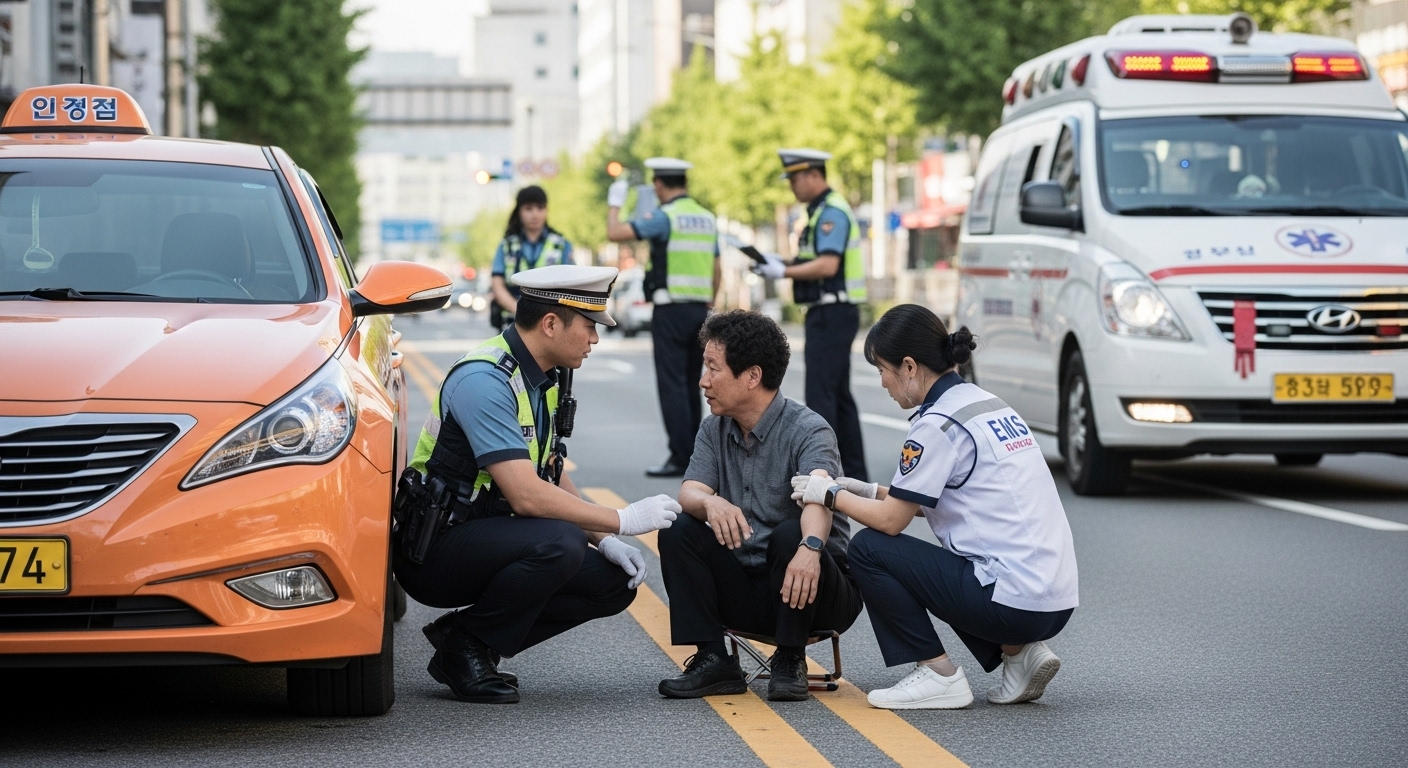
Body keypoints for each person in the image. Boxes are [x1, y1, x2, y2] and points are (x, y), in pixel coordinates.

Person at [394, 264, 682, 704]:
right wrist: (622, 519)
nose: (595, 339)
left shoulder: (541, 377)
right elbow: (527, 495)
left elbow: (550, 469)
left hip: (487, 537)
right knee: (561, 541)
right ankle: (465, 651)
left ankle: (468, 638)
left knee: (612, 581)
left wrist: (604, 540)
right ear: (550, 324)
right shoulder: (484, 380)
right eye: (589, 326)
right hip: (436, 550)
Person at [791, 304, 1078, 710]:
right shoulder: (987, 404)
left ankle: (939, 674)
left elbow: (892, 522)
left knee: (870, 549)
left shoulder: (935, 425)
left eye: (883, 370)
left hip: (1014, 602)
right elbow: (953, 500)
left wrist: (829, 495)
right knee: (955, 562)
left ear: (908, 366)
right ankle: (1021, 654)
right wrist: (867, 489)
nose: (884, 384)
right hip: (1054, 599)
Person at [657, 310, 863, 702]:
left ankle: (790, 656)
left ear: (752, 376)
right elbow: (690, 492)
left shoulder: (809, 429)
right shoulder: (712, 428)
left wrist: (811, 548)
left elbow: (818, 496)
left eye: (713, 369)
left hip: (817, 588)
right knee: (678, 525)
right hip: (753, 588)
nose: (703, 381)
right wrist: (710, 503)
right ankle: (714, 659)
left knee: (793, 533)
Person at [753, 148, 868, 482]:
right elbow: (812, 259)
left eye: (795, 178)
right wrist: (781, 263)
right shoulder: (818, 213)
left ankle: (823, 474)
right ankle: (853, 474)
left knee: (822, 396)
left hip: (832, 311)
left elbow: (828, 264)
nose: (792, 185)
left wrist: (783, 273)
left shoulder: (831, 213)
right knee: (839, 396)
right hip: (831, 310)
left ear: (814, 175)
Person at [605, 157, 721, 478]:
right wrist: (709, 302)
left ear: (658, 185)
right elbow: (716, 267)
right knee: (692, 383)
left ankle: (679, 457)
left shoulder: (664, 218)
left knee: (672, 386)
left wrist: (615, 202)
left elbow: (615, 232)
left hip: (670, 310)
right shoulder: (707, 218)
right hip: (700, 311)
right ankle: (698, 455)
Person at [490, 185, 573, 329]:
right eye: (528, 209)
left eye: (540, 208)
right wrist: (520, 311)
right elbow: (497, 286)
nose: (535, 214)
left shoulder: (561, 245)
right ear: (519, 212)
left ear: (546, 210)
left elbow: (571, 285)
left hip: (551, 322)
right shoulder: (506, 246)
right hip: (513, 322)